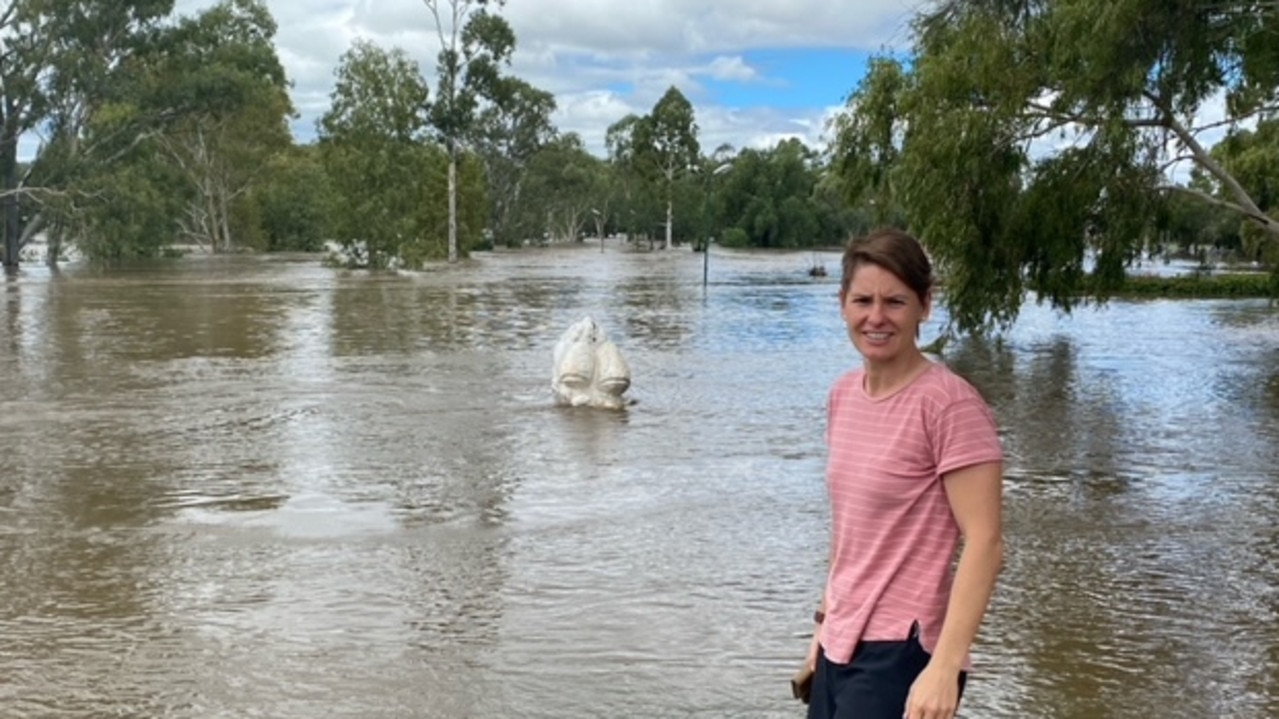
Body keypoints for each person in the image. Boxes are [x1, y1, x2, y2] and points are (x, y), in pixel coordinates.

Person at [803, 229, 1004, 719]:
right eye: (863, 300)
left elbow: (986, 542)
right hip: (841, 641)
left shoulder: (949, 405)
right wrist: (822, 630)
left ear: (925, 305)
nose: (876, 317)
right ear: (842, 304)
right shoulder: (843, 395)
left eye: (895, 301)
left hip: (905, 650)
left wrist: (943, 666)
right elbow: (850, 532)